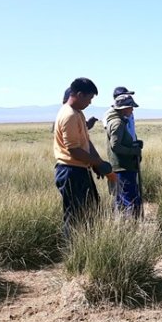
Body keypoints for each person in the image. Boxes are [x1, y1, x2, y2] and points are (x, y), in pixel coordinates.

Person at [53, 77, 112, 238]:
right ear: (79, 94)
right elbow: (74, 150)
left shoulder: (78, 113)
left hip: (80, 169)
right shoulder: (69, 115)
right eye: (89, 98)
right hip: (71, 172)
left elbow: (85, 143)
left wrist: (95, 164)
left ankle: (85, 248)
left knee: (90, 209)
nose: (90, 102)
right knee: (75, 216)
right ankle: (73, 253)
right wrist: (98, 162)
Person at [104, 94, 144, 218]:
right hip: (123, 168)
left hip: (122, 167)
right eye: (130, 107)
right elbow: (115, 146)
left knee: (121, 200)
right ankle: (132, 227)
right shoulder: (117, 123)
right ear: (123, 108)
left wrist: (133, 145)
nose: (132, 110)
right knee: (130, 200)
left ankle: (121, 228)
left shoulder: (118, 121)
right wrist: (133, 151)